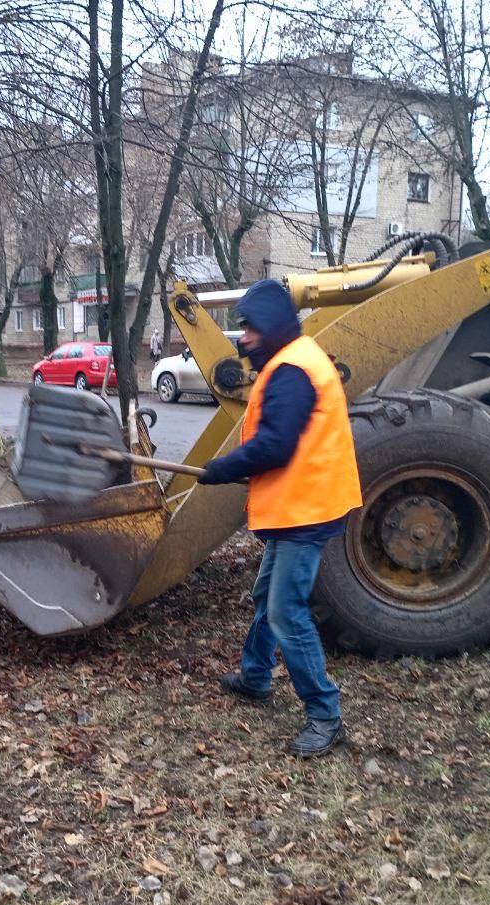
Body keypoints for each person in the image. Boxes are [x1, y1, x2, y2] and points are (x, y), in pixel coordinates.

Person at [198, 278, 362, 758]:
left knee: (285, 611)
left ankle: (325, 715)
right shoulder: (294, 360)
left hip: (307, 510)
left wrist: (222, 470)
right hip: (301, 505)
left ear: (270, 326)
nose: (242, 338)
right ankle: (255, 679)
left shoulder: (292, 371)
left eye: (247, 328)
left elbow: (275, 446)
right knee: (265, 597)